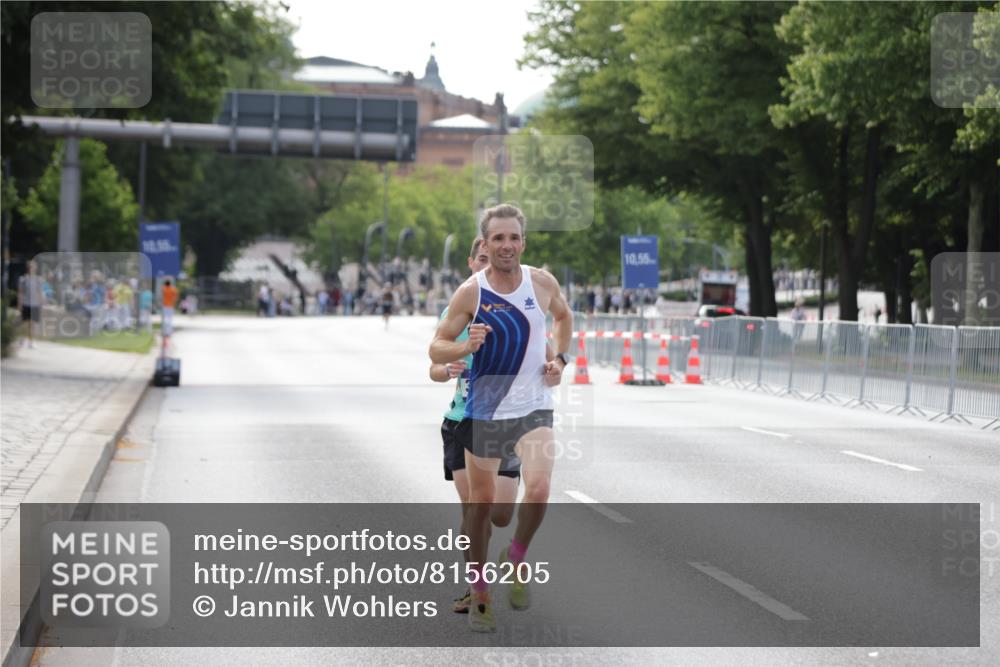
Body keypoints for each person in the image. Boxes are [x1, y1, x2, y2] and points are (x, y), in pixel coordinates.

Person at [430, 204, 573, 632]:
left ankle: (515, 558)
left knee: (542, 488)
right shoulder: (470, 293)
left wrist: (560, 361)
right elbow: (436, 348)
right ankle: (479, 591)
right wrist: (465, 347)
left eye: (513, 238)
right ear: (486, 244)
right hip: (487, 409)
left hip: (533, 406)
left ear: (523, 242)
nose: (506, 245)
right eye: (498, 238)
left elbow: (564, 318)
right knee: (482, 508)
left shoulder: (542, 282)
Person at [429, 237, 522, 614]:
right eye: (481, 259)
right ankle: (477, 588)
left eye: (493, 260)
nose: (487, 266)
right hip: (461, 421)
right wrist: (447, 366)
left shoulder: (515, 311)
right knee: (474, 512)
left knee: (500, 515)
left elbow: (542, 358)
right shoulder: (458, 311)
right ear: (471, 263)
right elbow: (433, 367)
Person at [17, 259, 43, 347]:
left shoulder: (38, 280)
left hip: (35, 304)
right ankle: (22, 339)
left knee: (33, 324)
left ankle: (31, 342)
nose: (32, 268)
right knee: (24, 323)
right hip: (25, 303)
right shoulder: (23, 279)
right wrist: (19, 304)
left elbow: (40, 292)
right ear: (28, 268)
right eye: (31, 266)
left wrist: (41, 303)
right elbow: (20, 292)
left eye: (34, 266)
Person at [160, 278, 179, 343]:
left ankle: (164, 331)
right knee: (170, 319)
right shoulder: (173, 289)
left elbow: (162, 292)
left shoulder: (164, 289)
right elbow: (176, 297)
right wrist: (174, 302)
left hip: (165, 306)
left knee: (165, 319)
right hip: (171, 306)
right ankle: (169, 332)